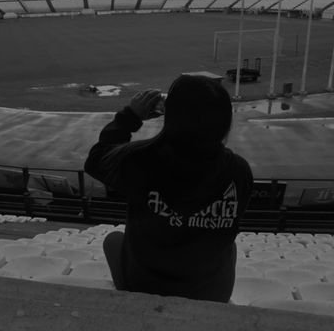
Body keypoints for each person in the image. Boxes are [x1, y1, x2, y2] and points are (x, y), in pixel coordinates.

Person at [84, 74, 253, 302]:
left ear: (170, 117)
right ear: (225, 120)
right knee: (230, 248)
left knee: (112, 240)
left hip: (144, 286)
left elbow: (97, 160)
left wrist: (130, 117)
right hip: (211, 291)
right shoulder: (239, 171)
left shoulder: (139, 160)